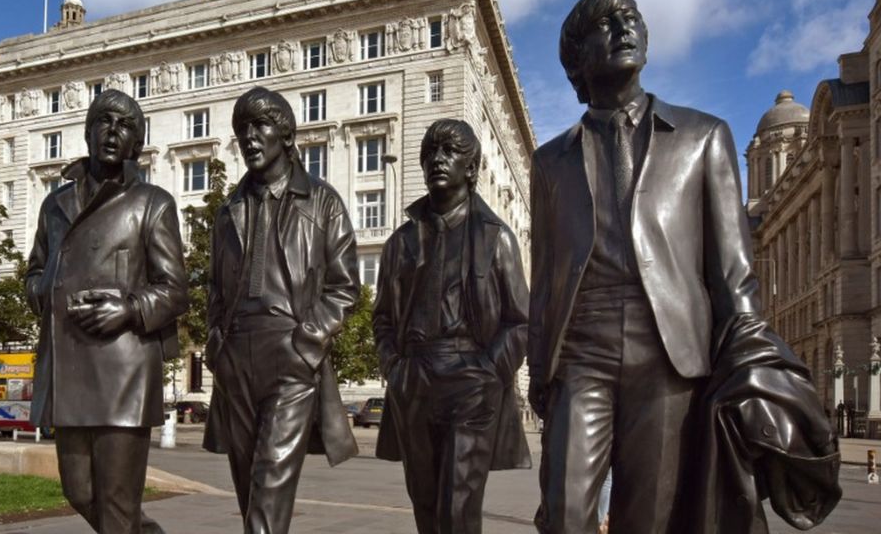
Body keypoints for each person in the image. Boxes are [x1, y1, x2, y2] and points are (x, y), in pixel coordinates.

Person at [528, 0, 840, 533]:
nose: (626, 29)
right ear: (577, 54)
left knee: (649, 519)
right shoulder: (549, 161)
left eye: (634, 19)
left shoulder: (704, 136)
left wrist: (750, 359)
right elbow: (545, 276)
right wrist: (539, 368)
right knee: (564, 513)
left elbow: (732, 270)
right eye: (607, 22)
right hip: (581, 350)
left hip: (671, 355)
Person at [26, 89, 188, 534]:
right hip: (69, 367)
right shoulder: (54, 204)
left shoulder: (152, 203)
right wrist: (44, 292)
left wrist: (129, 308)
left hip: (123, 371)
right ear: (87, 131)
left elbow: (175, 290)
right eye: (104, 121)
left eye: (125, 126)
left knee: (117, 505)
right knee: (78, 491)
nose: (112, 132)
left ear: (136, 144)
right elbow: (35, 271)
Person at [202, 86, 359, 534]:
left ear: (286, 135)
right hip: (235, 357)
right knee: (248, 488)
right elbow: (214, 286)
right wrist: (216, 345)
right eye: (242, 129)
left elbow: (344, 287)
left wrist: (308, 340)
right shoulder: (227, 210)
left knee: (269, 487)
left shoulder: (323, 202)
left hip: (290, 352)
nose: (250, 137)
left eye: (260, 125)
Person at [374, 119, 531, 534]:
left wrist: (488, 370)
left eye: (450, 151)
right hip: (415, 378)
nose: (438, 159)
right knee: (425, 505)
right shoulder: (401, 242)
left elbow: (520, 321)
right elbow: (383, 319)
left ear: (473, 168)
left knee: (458, 506)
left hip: (471, 376)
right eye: (431, 152)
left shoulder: (496, 238)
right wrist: (395, 368)